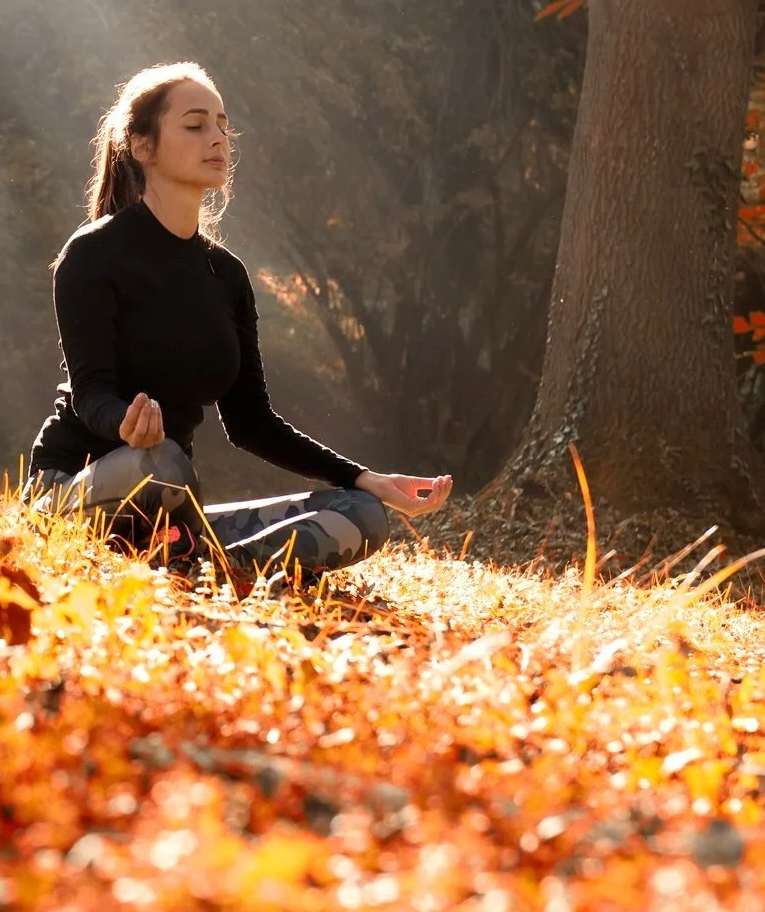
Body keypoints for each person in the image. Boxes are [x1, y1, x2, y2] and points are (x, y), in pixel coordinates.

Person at [24, 61, 452, 580]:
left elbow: (253, 423)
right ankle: (184, 557)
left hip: (173, 511)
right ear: (142, 145)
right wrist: (125, 425)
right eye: (196, 124)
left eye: (224, 125)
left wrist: (363, 478)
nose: (218, 139)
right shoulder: (93, 255)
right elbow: (91, 395)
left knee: (361, 515)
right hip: (79, 489)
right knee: (162, 463)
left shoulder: (226, 275)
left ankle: (217, 568)